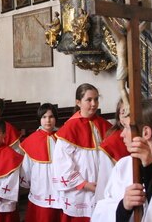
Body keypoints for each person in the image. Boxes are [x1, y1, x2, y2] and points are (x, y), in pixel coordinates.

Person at [52, 83, 112, 221]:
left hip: (103, 187)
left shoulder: (105, 126)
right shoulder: (69, 128)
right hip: (79, 191)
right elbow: (62, 164)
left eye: (96, 99)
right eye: (89, 100)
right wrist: (84, 184)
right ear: (78, 102)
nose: (94, 104)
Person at [20, 103, 62, 221]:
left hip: (59, 183)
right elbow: (27, 166)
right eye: (44, 117)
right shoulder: (32, 139)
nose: (47, 120)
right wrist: (26, 182)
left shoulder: (62, 137)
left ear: (56, 119)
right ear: (39, 119)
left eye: (51, 117)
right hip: (40, 183)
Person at [94, 99, 130, 202]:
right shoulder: (111, 144)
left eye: (130, 113)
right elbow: (105, 183)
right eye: (123, 113)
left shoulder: (148, 140)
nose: (127, 117)